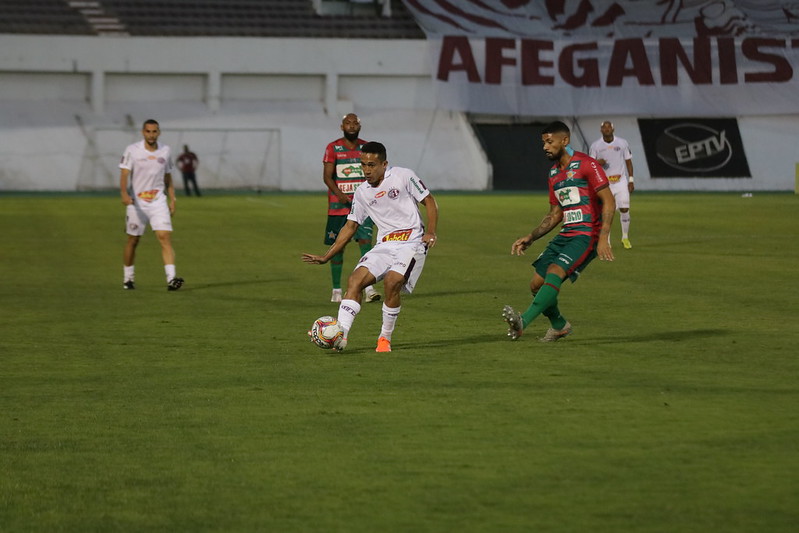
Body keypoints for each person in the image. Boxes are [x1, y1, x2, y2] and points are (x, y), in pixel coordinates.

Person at [303, 141, 439, 353]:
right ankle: (341, 336)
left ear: (384, 164)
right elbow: (350, 226)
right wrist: (327, 255)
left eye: (372, 165)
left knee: (392, 282)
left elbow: (429, 200)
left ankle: (384, 338)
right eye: (363, 164)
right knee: (355, 281)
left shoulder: (403, 176)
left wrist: (430, 232)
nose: (367, 170)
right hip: (385, 245)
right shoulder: (362, 192)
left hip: (412, 242)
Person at [502, 121, 615, 342]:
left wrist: (603, 238)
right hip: (566, 233)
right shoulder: (554, 173)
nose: (545, 147)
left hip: (587, 233)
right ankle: (559, 325)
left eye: (550, 142)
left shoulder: (586, 164)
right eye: (543, 142)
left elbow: (609, 202)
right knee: (536, 284)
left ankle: (522, 322)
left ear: (565, 140)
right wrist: (531, 236)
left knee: (555, 270)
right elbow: (555, 214)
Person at [119, 119, 184, 291]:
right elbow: (125, 174)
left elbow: (168, 177)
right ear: (143, 132)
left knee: (164, 237)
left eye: (154, 131)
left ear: (159, 133)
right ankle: (128, 279)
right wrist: (124, 193)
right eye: (148, 131)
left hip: (158, 202)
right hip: (136, 203)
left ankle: (171, 279)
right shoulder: (132, 150)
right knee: (133, 240)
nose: (151, 135)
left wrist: (172, 199)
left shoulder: (165, 151)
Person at [322, 113, 380, 303]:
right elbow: (327, 177)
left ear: (360, 126)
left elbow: (375, 174)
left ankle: (369, 288)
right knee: (338, 248)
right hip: (338, 208)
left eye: (355, 123)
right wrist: (339, 195)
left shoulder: (367, 148)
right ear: (342, 127)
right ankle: (336, 290)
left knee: (366, 245)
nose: (352, 126)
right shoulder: (333, 148)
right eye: (348, 123)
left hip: (363, 207)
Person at [588, 120, 634, 249]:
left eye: (609, 127)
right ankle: (606, 241)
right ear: (601, 130)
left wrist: (631, 180)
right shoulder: (595, 146)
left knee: (625, 209)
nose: (607, 129)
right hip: (604, 184)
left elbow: (628, 162)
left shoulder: (622, 143)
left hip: (620, 182)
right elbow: (590, 165)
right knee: (607, 211)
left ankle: (625, 237)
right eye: (604, 127)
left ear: (613, 129)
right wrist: (598, 162)